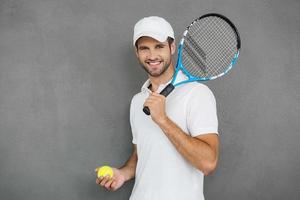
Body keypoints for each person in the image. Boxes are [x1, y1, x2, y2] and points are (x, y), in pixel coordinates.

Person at [96, 16, 219, 200]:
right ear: (137, 53)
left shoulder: (197, 94)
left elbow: (208, 162)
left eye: (159, 46)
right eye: (144, 48)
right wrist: (123, 174)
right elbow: (143, 153)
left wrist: (163, 120)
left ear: (172, 47)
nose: (152, 56)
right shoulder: (138, 101)